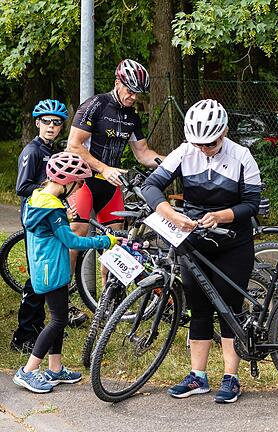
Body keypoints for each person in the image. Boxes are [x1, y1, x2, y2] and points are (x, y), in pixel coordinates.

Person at [141, 99, 261, 404]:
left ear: (223, 133)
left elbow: (252, 204)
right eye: (199, 143)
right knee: (198, 307)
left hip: (233, 241)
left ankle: (231, 377)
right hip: (194, 241)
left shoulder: (242, 157)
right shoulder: (185, 151)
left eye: (210, 143)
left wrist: (221, 216)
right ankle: (198, 376)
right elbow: (151, 186)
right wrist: (169, 212)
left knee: (229, 309)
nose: (204, 148)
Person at [13, 152, 117, 394]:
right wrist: (106, 241)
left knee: (57, 318)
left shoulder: (39, 198)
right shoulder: (52, 210)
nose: (79, 188)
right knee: (58, 320)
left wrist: (64, 215)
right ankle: (28, 371)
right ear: (67, 182)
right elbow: (73, 241)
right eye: (79, 183)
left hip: (48, 267)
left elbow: (50, 226)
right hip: (51, 269)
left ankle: (55, 368)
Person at [66, 59, 162, 273]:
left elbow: (143, 154)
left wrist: (172, 163)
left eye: (138, 93)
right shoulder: (95, 105)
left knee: (113, 245)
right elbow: (73, 145)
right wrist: (104, 168)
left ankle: (107, 304)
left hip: (110, 187)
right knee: (75, 237)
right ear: (117, 82)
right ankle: (61, 301)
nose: (133, 97)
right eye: (130, 91)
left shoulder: (132, 117)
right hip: (83, 182)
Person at [11, 99, 82, 354]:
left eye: (57, 122)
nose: (51, 127)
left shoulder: (51, 150)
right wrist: (52, 196)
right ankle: (24, 334)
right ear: (37, 123)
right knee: (38, 279)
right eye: (46, 122)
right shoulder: (33, 151)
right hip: (36, 218)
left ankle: (41, 328)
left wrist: (61, 203)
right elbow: (22, 187)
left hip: (49, 213)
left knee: (47, 277)